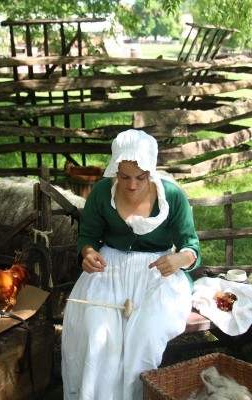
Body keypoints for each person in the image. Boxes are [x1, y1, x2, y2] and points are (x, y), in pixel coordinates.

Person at [61, 129, 202, 399]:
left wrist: (180, 258)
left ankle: (138, 395)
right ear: (115, 169)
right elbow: (87, 237)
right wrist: (88, 254)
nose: (132, 185)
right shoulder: (102, 193)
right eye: (124, 176)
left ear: (152, 169)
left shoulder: (171, 196)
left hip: (157, 275)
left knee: (145, 337)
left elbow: (191, 246)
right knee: (97, 332)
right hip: (109, 270)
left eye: (141, 177)